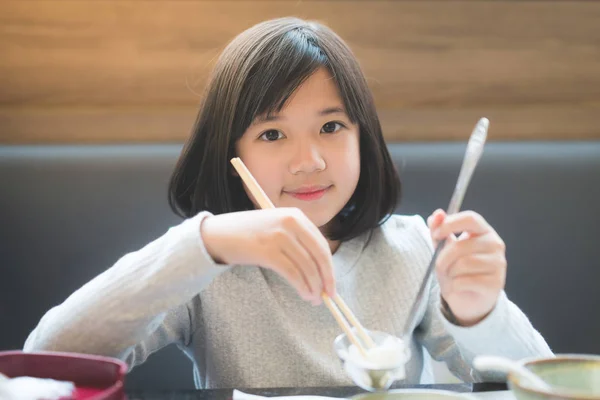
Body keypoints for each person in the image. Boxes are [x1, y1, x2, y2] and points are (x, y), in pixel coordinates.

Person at [24, 17, 552, 389]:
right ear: (231, 153)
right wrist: (205, 244)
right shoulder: (209, 266)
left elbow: (536, 380)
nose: (310, 160)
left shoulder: (412, 248)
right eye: (273, 134)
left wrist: (479, 312)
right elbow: (45, 359)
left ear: (362, 137)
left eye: (330, 126)